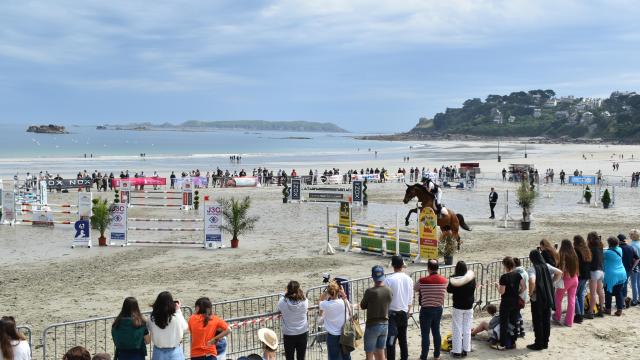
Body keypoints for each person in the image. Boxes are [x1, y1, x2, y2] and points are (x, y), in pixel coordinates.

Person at [526, 250, 562, 351]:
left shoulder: (532, 269)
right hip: (548, 295)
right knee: (546, 320)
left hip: (538, 298)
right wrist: (551, 283)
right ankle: (545, 342)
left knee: (538, 320)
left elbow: (532, 281)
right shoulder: (547, 266)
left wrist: (530, 292)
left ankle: (538, 343)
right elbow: (559, 272)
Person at [415, 259, 447, 360]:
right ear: (438, 268)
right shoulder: (444, 280)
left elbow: (415, 288)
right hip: (438, 308)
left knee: (425, 334)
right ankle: (437, 355)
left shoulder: (422, 280)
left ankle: (424, 356)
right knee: (436, 331)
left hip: (426, 310)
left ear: (428, 268)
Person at [360, 265, 392, 360]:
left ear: (373, 277)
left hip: (372, 325)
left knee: (369, 355)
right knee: (381, 353)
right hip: (385, 324)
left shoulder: (370, 291)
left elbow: (362, 306)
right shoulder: (389, 290)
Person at [384, 256, 413, 360]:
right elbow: (410, 299)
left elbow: (385, 299)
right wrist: (407, 312)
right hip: (404, 313)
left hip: (392, 314)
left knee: (391, 341)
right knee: (403, 340)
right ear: (402, 266)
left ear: (393, 266)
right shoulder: (409, 279)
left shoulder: (388, 280)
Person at [493, 257, 524, 350]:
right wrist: (518, 292)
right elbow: (524, 287)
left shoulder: (504, 277)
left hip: (506, 302)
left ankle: (503, 344)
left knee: (504, 323)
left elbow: (502, 292)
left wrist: (497, 286)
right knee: (514, 321)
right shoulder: (518, 275)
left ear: (505, 266)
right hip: (515, 301)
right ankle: (513, 342)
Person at [446, 261, 476, 358]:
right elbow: (473, 288)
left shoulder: (454, 278)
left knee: (457, 328)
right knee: (467, 328)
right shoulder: (471, 278)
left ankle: (456, 351)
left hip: (458, 306)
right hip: (469, 305)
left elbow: (449, 290)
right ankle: (466, 349)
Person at [148, 291, 188, 360]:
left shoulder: (152, 319)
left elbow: (149, 327)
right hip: (174, 352)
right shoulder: (177, 317)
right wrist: (178, 310)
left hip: (158, 352)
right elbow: (185, 327)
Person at [318, 280, 350, 360]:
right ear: (338, 291)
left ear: (329, 293)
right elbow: (350, 312)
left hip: (332, 335)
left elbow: (320, 302)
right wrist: (344, 295)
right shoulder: (344, 302)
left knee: (334, 357)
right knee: (346, 356)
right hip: (345, 332)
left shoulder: (326, 304)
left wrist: (325, 293)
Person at [278, 281, 309, 360]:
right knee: (301, 357)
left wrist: (285, 294)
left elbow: (279, 308)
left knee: (289, 357)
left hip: (289, 334)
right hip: (302, 332)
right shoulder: (305, 301)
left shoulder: (282, 302)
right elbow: (303, 298)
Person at [553, 239, 580, 327]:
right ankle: (569, 321)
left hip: (566, 279)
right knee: (572, 300)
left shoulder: (562, 255)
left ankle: (557, 316)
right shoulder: (574, 255)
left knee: (558, 298)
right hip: (575, 278)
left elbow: (561, 268)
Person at [603, 236, 627, 316]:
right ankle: (619, 310)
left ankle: (608, 309)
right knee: (619, 292)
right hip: (621, 273)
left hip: (611, 274)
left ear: (609, 243)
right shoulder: (620, 250)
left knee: (608, 292)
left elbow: (602, 255)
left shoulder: (607, 253)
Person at [573, 235, 592, 323]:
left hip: (580, 275)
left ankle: (578, 314)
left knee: (574, 295)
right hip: (586, 274)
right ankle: (582, 313)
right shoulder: (587, 249)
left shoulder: (576, 250)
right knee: (580, 294)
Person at [587, 232, 606, 318]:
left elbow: (589, 261)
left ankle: (591, 312)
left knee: (593, 293)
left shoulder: (591, 249)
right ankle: (601, 310)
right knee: (600, 292)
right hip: (601, 271)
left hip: (594, 272)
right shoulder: (600, 247)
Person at [617, 234, 638, 307]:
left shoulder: (618, 248)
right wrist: (633, 267)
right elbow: (637, 258)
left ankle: (622, 303)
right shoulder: (631, 248)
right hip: (629, 269)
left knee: (621, 286)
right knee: (625, 285)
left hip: (620, 269)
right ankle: (624, 301)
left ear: (619, 241)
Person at [629, 229, 640, 306]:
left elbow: (633, 258)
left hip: (635, 265)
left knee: (634, 283)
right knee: (639, 283)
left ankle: (635, 300)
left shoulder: (632, 245)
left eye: (630, 235)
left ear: (632, 236)